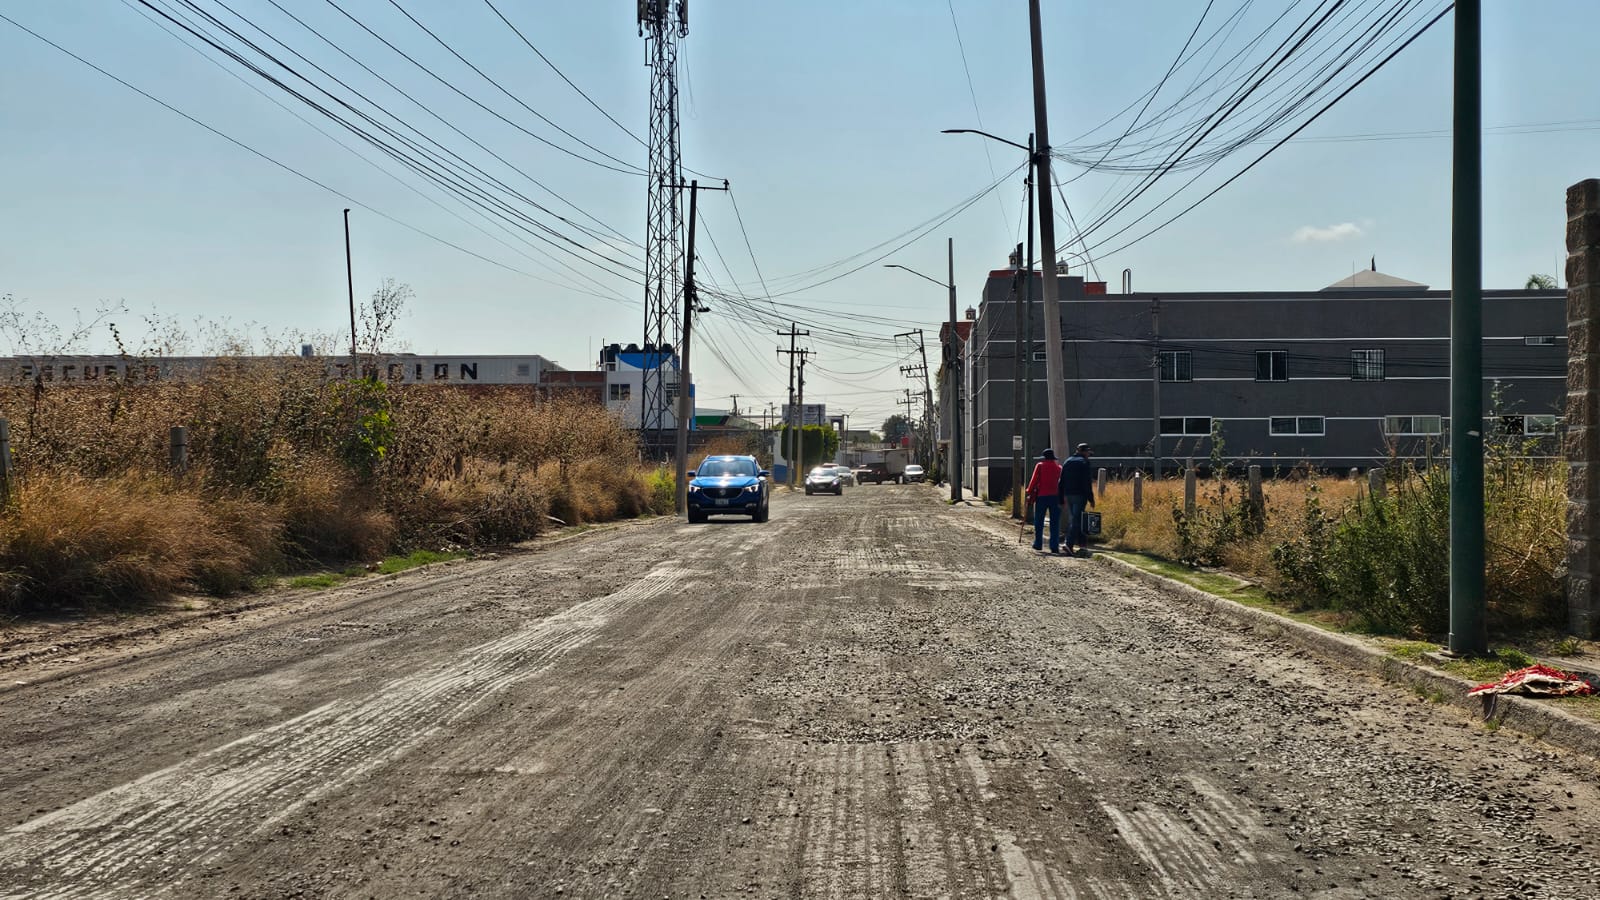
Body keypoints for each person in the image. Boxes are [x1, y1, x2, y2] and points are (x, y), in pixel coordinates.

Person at [1024, 448, 1063, 553]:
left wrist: (1029, 491)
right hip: (1055, 497)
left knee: (1039, 521)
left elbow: (1034, 480)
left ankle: (1038, 543)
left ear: (1044, 457)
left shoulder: (1040, 466)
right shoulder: (1059, 468)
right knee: (1055, 522)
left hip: (1042, 496)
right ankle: (1054, 546)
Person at [1060, 443, 1095, 556]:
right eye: (1088, 452)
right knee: (1077, 520)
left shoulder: (1067, 461)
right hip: (1080, 495)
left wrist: (1061, 496)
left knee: (1076, 519)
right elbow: (1087, 482)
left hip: (1068, 494)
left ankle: (1082, 545)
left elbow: (1061, 481)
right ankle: (1068, 544)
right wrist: (1091, 498)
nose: (1088, 455)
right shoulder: (1084, 463)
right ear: (1084, 452)